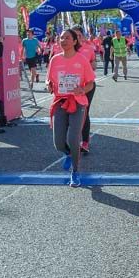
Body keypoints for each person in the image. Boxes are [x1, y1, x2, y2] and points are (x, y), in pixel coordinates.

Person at [47, 30, 96, 186]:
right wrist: (48, 85)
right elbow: (49, 81)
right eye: (61, 38)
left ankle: (75, 171)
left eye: (67, 38)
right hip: (60, 101)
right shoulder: (55, 59)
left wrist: (82, 90)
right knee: (58, 143)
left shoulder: (82, 60)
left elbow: (91, 83)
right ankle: (68, 153)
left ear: (75, 41)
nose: (63, 40)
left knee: (74, 139)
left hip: (77, 102)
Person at [71, 26, 97, 154]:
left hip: (87, 86)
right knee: (70, 112)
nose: (77, 38)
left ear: (82, 36)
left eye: (79, 35)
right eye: (74, 36)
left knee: (83, 112)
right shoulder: (67, 49)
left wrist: (86, 65)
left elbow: (94, 65)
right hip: (70, 86)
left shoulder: (89, 48)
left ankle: (85, 141)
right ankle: (72, 140)